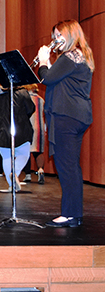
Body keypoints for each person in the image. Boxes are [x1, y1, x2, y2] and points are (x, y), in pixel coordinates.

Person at [36, 19, 94, 228]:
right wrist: (51, 65)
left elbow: (47, 79)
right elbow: (61, 79)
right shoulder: (80, 56)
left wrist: (43, 61)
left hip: (66, 116)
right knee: (71, 166)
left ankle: (69, 214)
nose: (55, 40)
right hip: (78, 116)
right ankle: (73, 213)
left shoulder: (69, 56)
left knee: (66, 165)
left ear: (70, 35)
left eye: (59, 36)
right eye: (54, 36)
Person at [0, 80, 35, 192]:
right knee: (23, 154)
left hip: (1, 129)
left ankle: (11, 186)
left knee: (6, 157)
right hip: (20, 127)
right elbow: (30, 109)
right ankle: (15, 173)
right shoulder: (22, 92)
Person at [22, 84, 46, 184]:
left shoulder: (24, 99)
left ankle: (27, 174)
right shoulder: (41, 99)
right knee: (38, 151)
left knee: (25, 150)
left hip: (27, 127)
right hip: (39, 126)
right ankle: (40, 170)